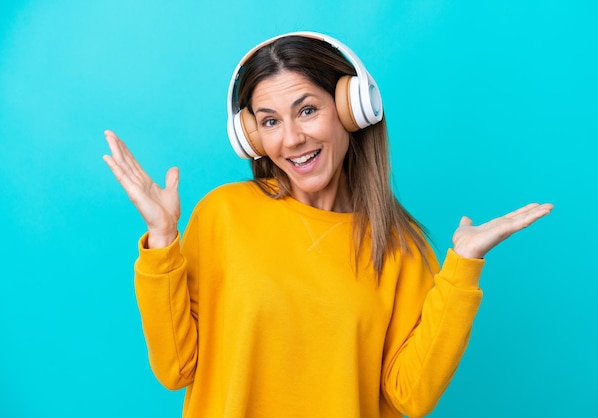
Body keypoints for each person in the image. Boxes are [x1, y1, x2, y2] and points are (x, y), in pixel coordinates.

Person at [102, 32, 552, 418]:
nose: (292, 139)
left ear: (352, 109)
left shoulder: (401, 247)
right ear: (252, 137)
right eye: (270, 122)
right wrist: (163, 240)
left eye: (308, 110)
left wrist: (463, 268)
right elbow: (175, 368)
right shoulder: (223, 214)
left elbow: (410, 395)